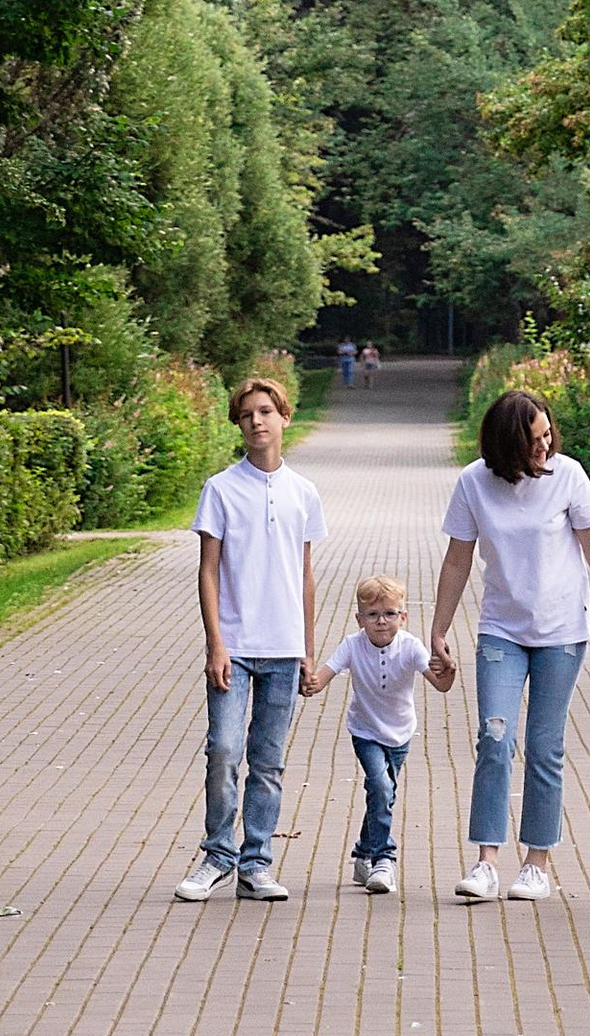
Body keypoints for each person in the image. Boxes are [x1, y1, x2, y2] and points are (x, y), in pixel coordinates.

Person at [432, 387, 590, 902]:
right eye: (532, 440)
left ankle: (537, 862)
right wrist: (439, 628)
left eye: (547, 435)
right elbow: (458, 560)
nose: (544, 447)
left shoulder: (568, 475)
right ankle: (485, 863)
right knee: (495, 740)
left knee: (545, 746)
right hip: (501, 629)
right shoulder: (474, 483)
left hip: (563, 633)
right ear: (505, 444)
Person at [174, 377, 325, 904]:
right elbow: (208, 570)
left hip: (284, 649)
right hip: (235, 647)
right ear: (237, 425)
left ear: (284, 417)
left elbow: (306, 576)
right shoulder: (220, 488)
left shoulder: (303, 492)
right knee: (224, 748)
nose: (257, 422)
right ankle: (217, 854)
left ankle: (256, 862)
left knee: (268, 760)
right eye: (246, 415)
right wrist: (216, 642)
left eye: (266, 412)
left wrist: (309, 651)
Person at [304, 570, 446, 890]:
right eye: (373, 615)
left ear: (403, 616)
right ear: (359, 618)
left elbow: (439, 683)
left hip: (400, 733)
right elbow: (324, 675)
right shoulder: (352, 646)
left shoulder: (410, 646)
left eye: (389, 614)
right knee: (380, 787)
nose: (381, 621)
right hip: (365, 730)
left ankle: (362, 853)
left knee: (383, 794)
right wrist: (307, 680)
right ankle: (384, 859)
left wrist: (446, 670)